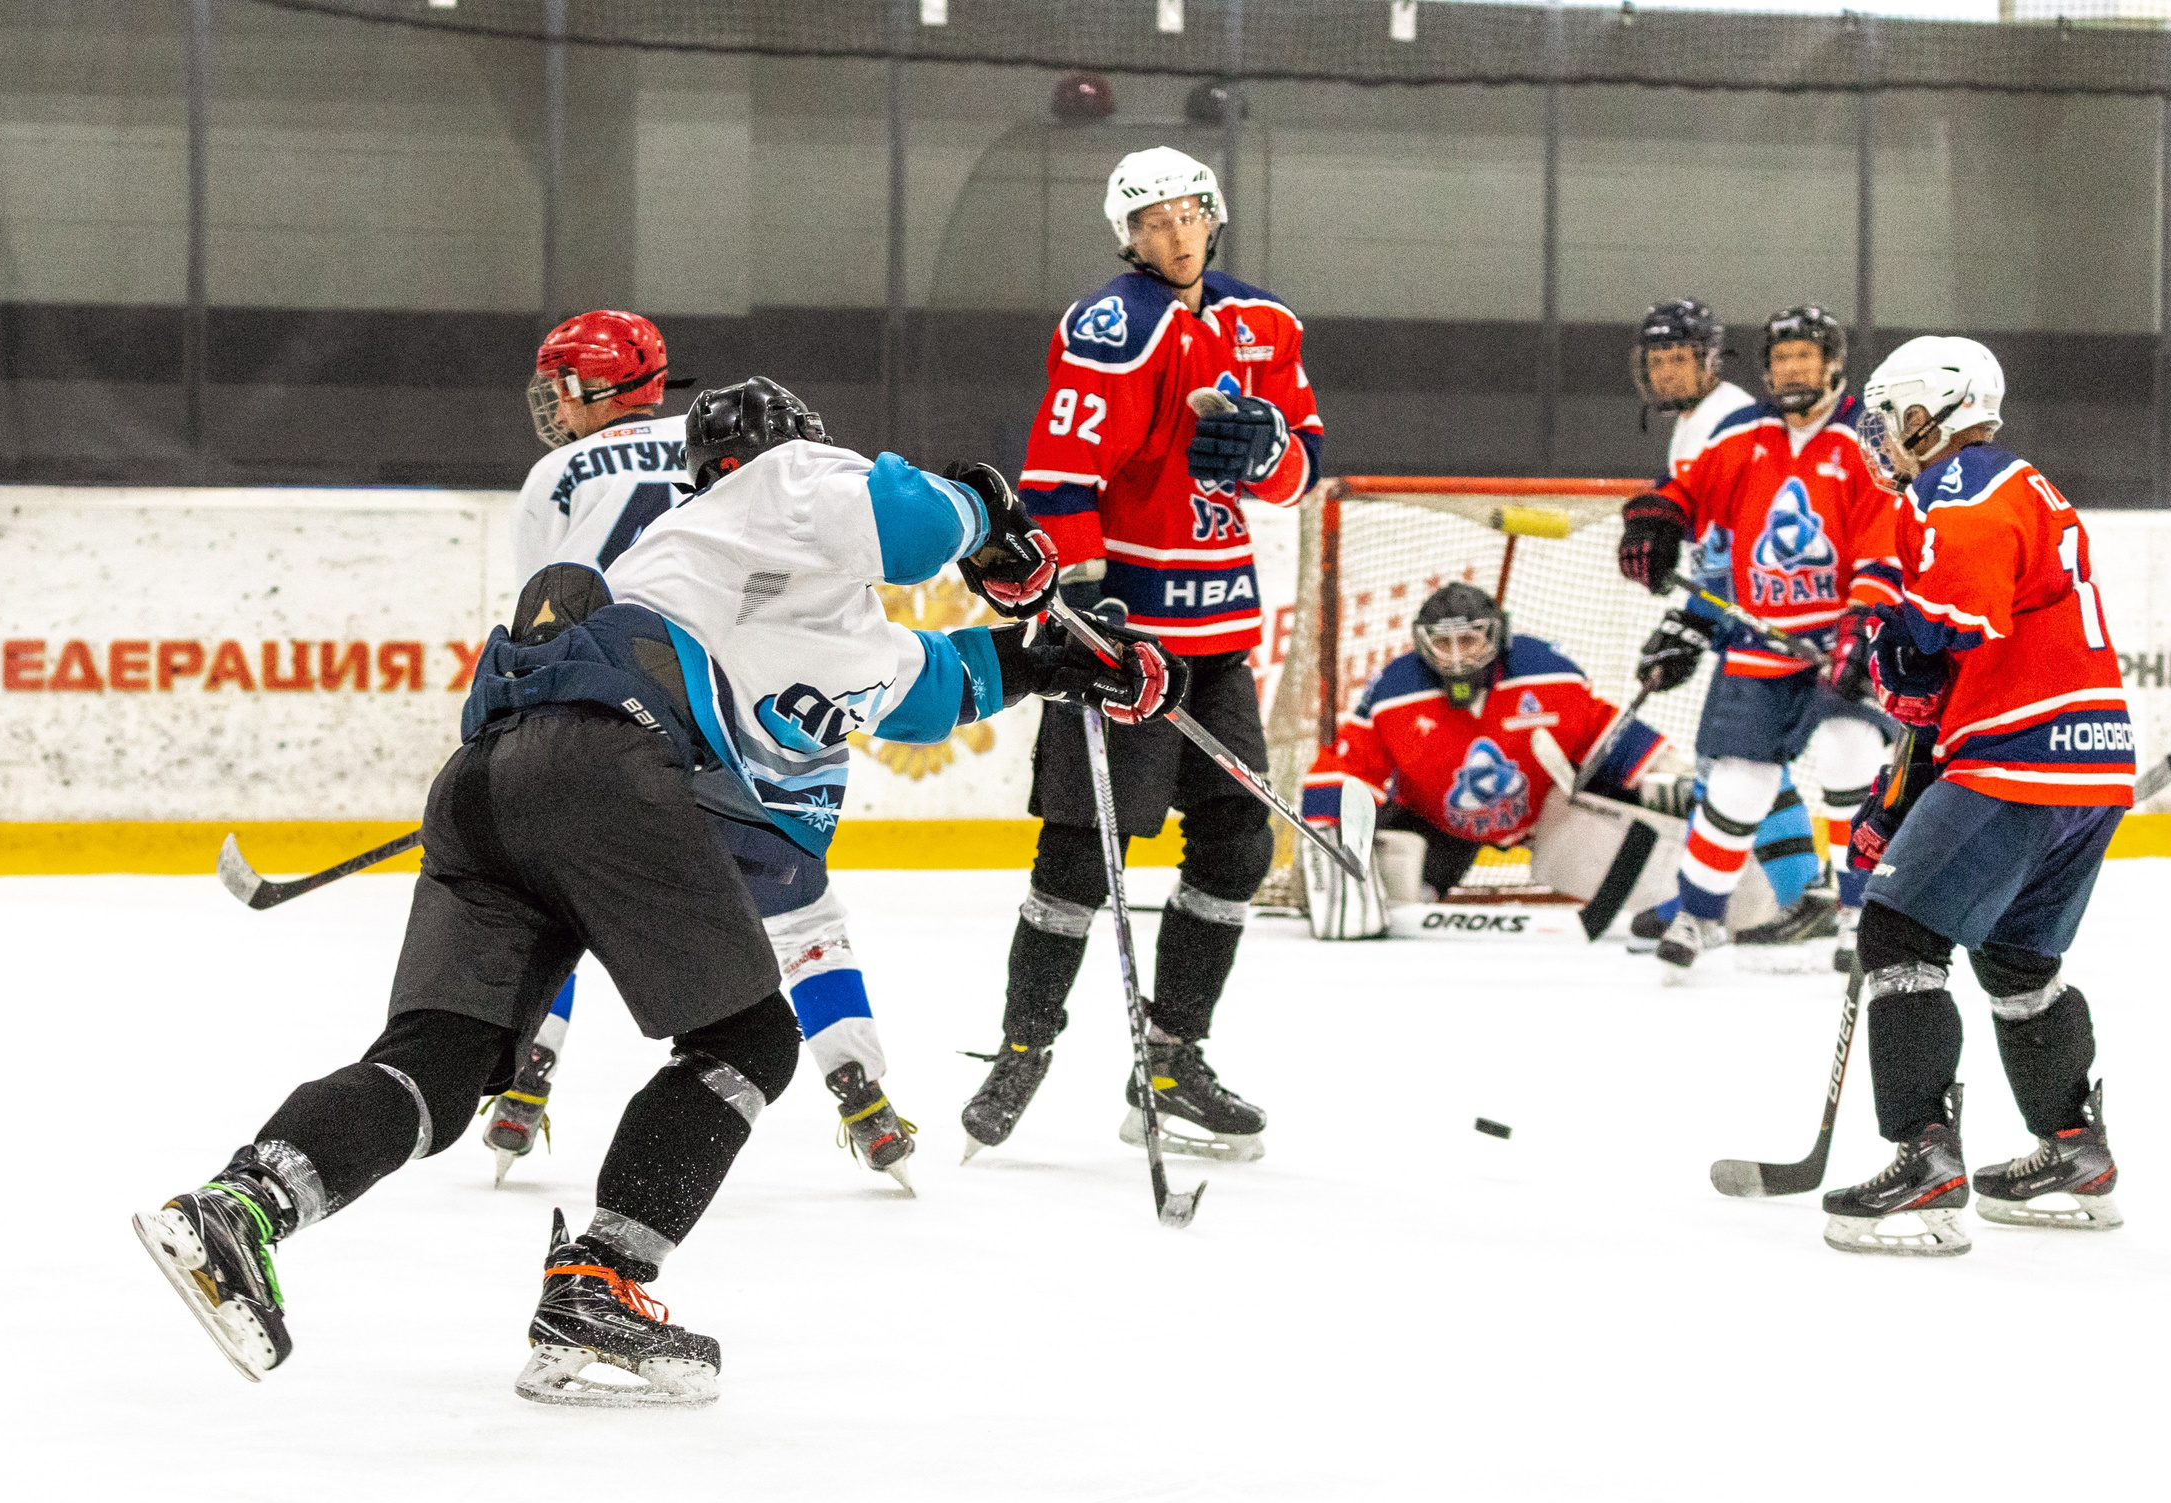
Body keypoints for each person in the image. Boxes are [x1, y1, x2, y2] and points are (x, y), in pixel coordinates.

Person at [130, 376, 1182, 1404]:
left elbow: (924, 687)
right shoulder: (780, 480)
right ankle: (599, 1283)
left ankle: (242, 1207)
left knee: (439, 1066)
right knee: (749, 1042)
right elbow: (910, 526)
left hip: (489, 781)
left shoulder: (750, 583)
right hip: (607, 772)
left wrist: (1055, 664)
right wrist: (989, 514)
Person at [491, 311, 920, 1192]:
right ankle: (862, 1091)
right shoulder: (726, 450)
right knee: (800, 911)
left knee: (558, 890)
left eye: (560, 385)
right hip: (736, 707)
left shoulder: (558, 472)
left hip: (611, 715)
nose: (553, 405)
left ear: (586, 389)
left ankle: (525, 1081)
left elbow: (549, 606)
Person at [962, 144, 1321, 1162]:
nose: (1171, 235)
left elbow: (1300, 469)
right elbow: (1062, 477)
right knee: (1080, 857)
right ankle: (1022, 1047)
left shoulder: (1266, 323)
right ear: (1125, 237)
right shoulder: (1112, 325)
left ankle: (1168, 1063)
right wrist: (1083, 610)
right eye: (1149, 221)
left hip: (1218, 639)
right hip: (1127, 634)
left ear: (1213, 215)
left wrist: (1266, 455)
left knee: (1238, 846)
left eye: (1185, 215)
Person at [1819, 336, 2131, 1256]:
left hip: (2017, 756)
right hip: (2087, 760)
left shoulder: (1967, 486)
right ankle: (2076, 1152)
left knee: (1898, 934)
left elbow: (1952, 624)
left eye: (1889, 417)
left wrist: (1903, 639)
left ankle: (1924, 1162)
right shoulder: (2024, 484)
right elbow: (1958, 677)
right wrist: (1903, 788)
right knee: (2018, 962)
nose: (1881, 436)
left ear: (1932, 411)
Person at [1617, 304, 1900, 980]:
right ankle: (1699, 913)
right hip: (1761, 639)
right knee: (1740, 781)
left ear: (1833, 363)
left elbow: (1883, 542)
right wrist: (1655, 521)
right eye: (1781, 359)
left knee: (1847, 751)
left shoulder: (1868, 436)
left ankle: (1859, 912)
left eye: (1805, 357)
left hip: (1843, 637)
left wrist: (1863, 626)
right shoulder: (1748, 433)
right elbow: (1687, 493)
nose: (1791, 370)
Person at [1299, 582, 1684, 929]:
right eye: (1442, 643)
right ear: (1421, 642)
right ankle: (1412, 889)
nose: (1455, 657)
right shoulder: (1395, 690)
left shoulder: (1544, 672)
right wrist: (1326, 833)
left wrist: (1668, 773)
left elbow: (1602, 734)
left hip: (1546, 818)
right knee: (1400, 901)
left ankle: (1687, 899)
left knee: (1635, 878)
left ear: (1497, 636)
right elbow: (1349, 765)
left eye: (1468, 641)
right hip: (1437, 823)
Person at [1632, 297, 1753, 479]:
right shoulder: (1695, 415)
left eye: (1678, 359)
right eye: (1656, 361)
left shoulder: (1731, 419)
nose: (1666, 374)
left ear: (1710, 361)